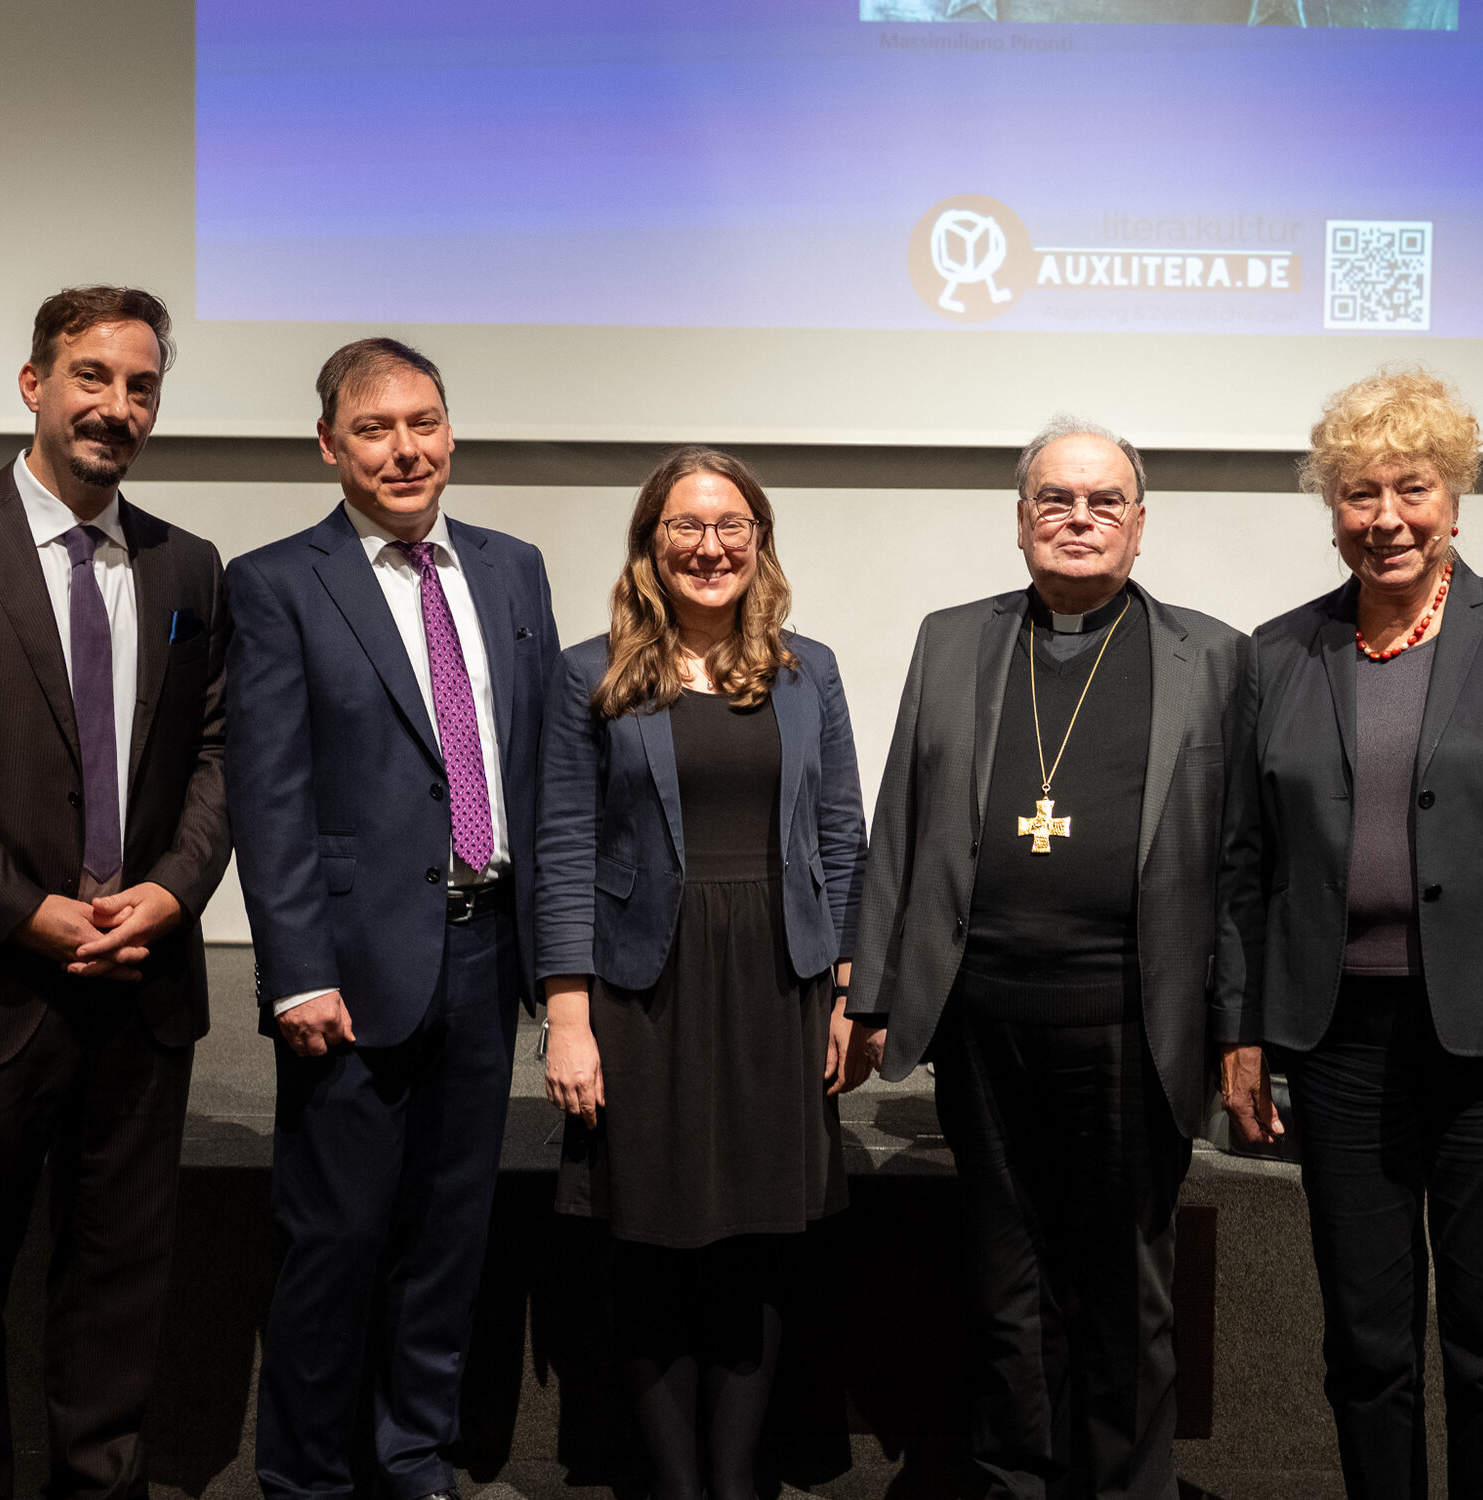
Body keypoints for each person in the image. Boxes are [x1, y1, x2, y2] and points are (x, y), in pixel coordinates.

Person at [1219, 367, 1483, 1499]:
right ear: (1330, 508)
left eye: (1412, 489)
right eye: (1359, 493)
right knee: (1364, 1341)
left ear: (1454, 498)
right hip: (1337, 1042)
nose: (1385, 518)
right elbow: (1245, 862)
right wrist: (1241, 1030)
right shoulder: (1277, 654)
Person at [844, 415, 1249, 1500]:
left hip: (1132, 1021)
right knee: (1003, 1278)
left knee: (1127, 1286)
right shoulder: (951, 640)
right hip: (982, 1019)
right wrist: (870, 989)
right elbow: (900, 821)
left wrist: (1237, 1024)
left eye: (1103, 500)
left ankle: (1126, 1488)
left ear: (1139, 524)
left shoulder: (1213, 656)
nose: (1078, 518)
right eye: (1055, 500)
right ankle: (1011, 1481)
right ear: (1020, 520)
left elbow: (1238, 860)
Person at [0, 286, 230, 1500]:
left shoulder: (188, 564)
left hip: (139, 995)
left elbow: (217, 757)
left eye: (142, 386)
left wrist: (174, 889)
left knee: (116, 1298)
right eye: (92, 376)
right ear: (33, 383)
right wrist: (24, 911)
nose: (117, 406)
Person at [228, 338, 560, 1500]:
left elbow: (533, 762)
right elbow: (268, 795)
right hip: (350, 968)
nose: (404, 449)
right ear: (329, 445)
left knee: (447, 1238)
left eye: (423, 422)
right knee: (334, 1244)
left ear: (450, 431)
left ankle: (412, 1461)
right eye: (374, 429)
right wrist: (294, 971)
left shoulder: (513, 569)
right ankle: (306, 1481)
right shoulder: (277, 583)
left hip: (486, 948)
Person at [534, 445, 866, 1500]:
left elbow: (841, 837)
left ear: (758, 541)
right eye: (686, 524)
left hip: (779, 988)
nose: (710, 546)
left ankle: (732, 1484)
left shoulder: (808, 670)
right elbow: (563, 849)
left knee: (756, 1248)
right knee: (649, 1242)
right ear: (650, 542)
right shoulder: (589, 673)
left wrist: (847, 994)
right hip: (644, 994)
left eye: (731, 525)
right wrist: (568, 1018)